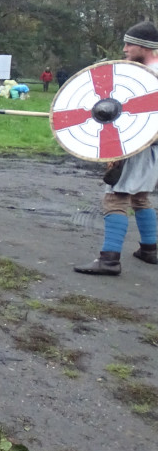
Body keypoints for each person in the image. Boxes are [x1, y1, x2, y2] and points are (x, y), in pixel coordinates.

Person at [74, 21, 158, 276]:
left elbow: (135, 116)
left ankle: (109, 260)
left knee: (115, 198)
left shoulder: (148, 76)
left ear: (144, 47)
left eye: (129, 44)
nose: (125, 48)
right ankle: (150, 250)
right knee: (140, 196)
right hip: (152, 148)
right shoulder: (146, 72)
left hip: (140, 146)